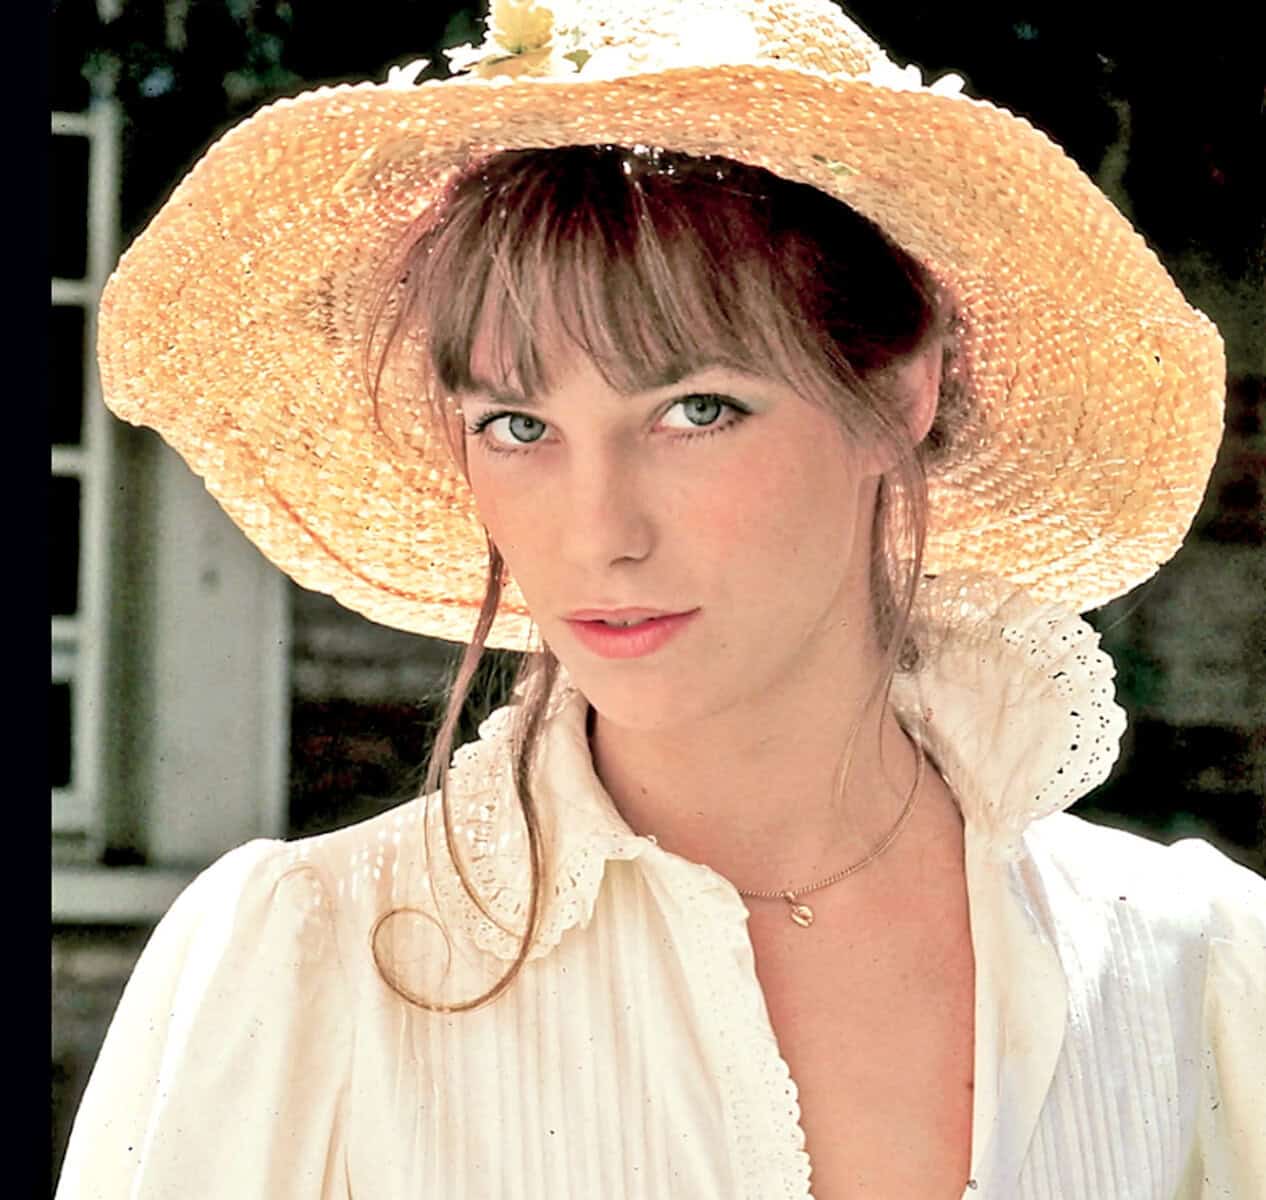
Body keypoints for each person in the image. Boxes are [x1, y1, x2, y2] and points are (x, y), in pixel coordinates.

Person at [57, 1, 1264, 1197]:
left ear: (899, 394)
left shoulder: (1192, 971)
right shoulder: (309, 968)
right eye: (517, 425)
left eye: (696, 412)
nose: (598, 535)